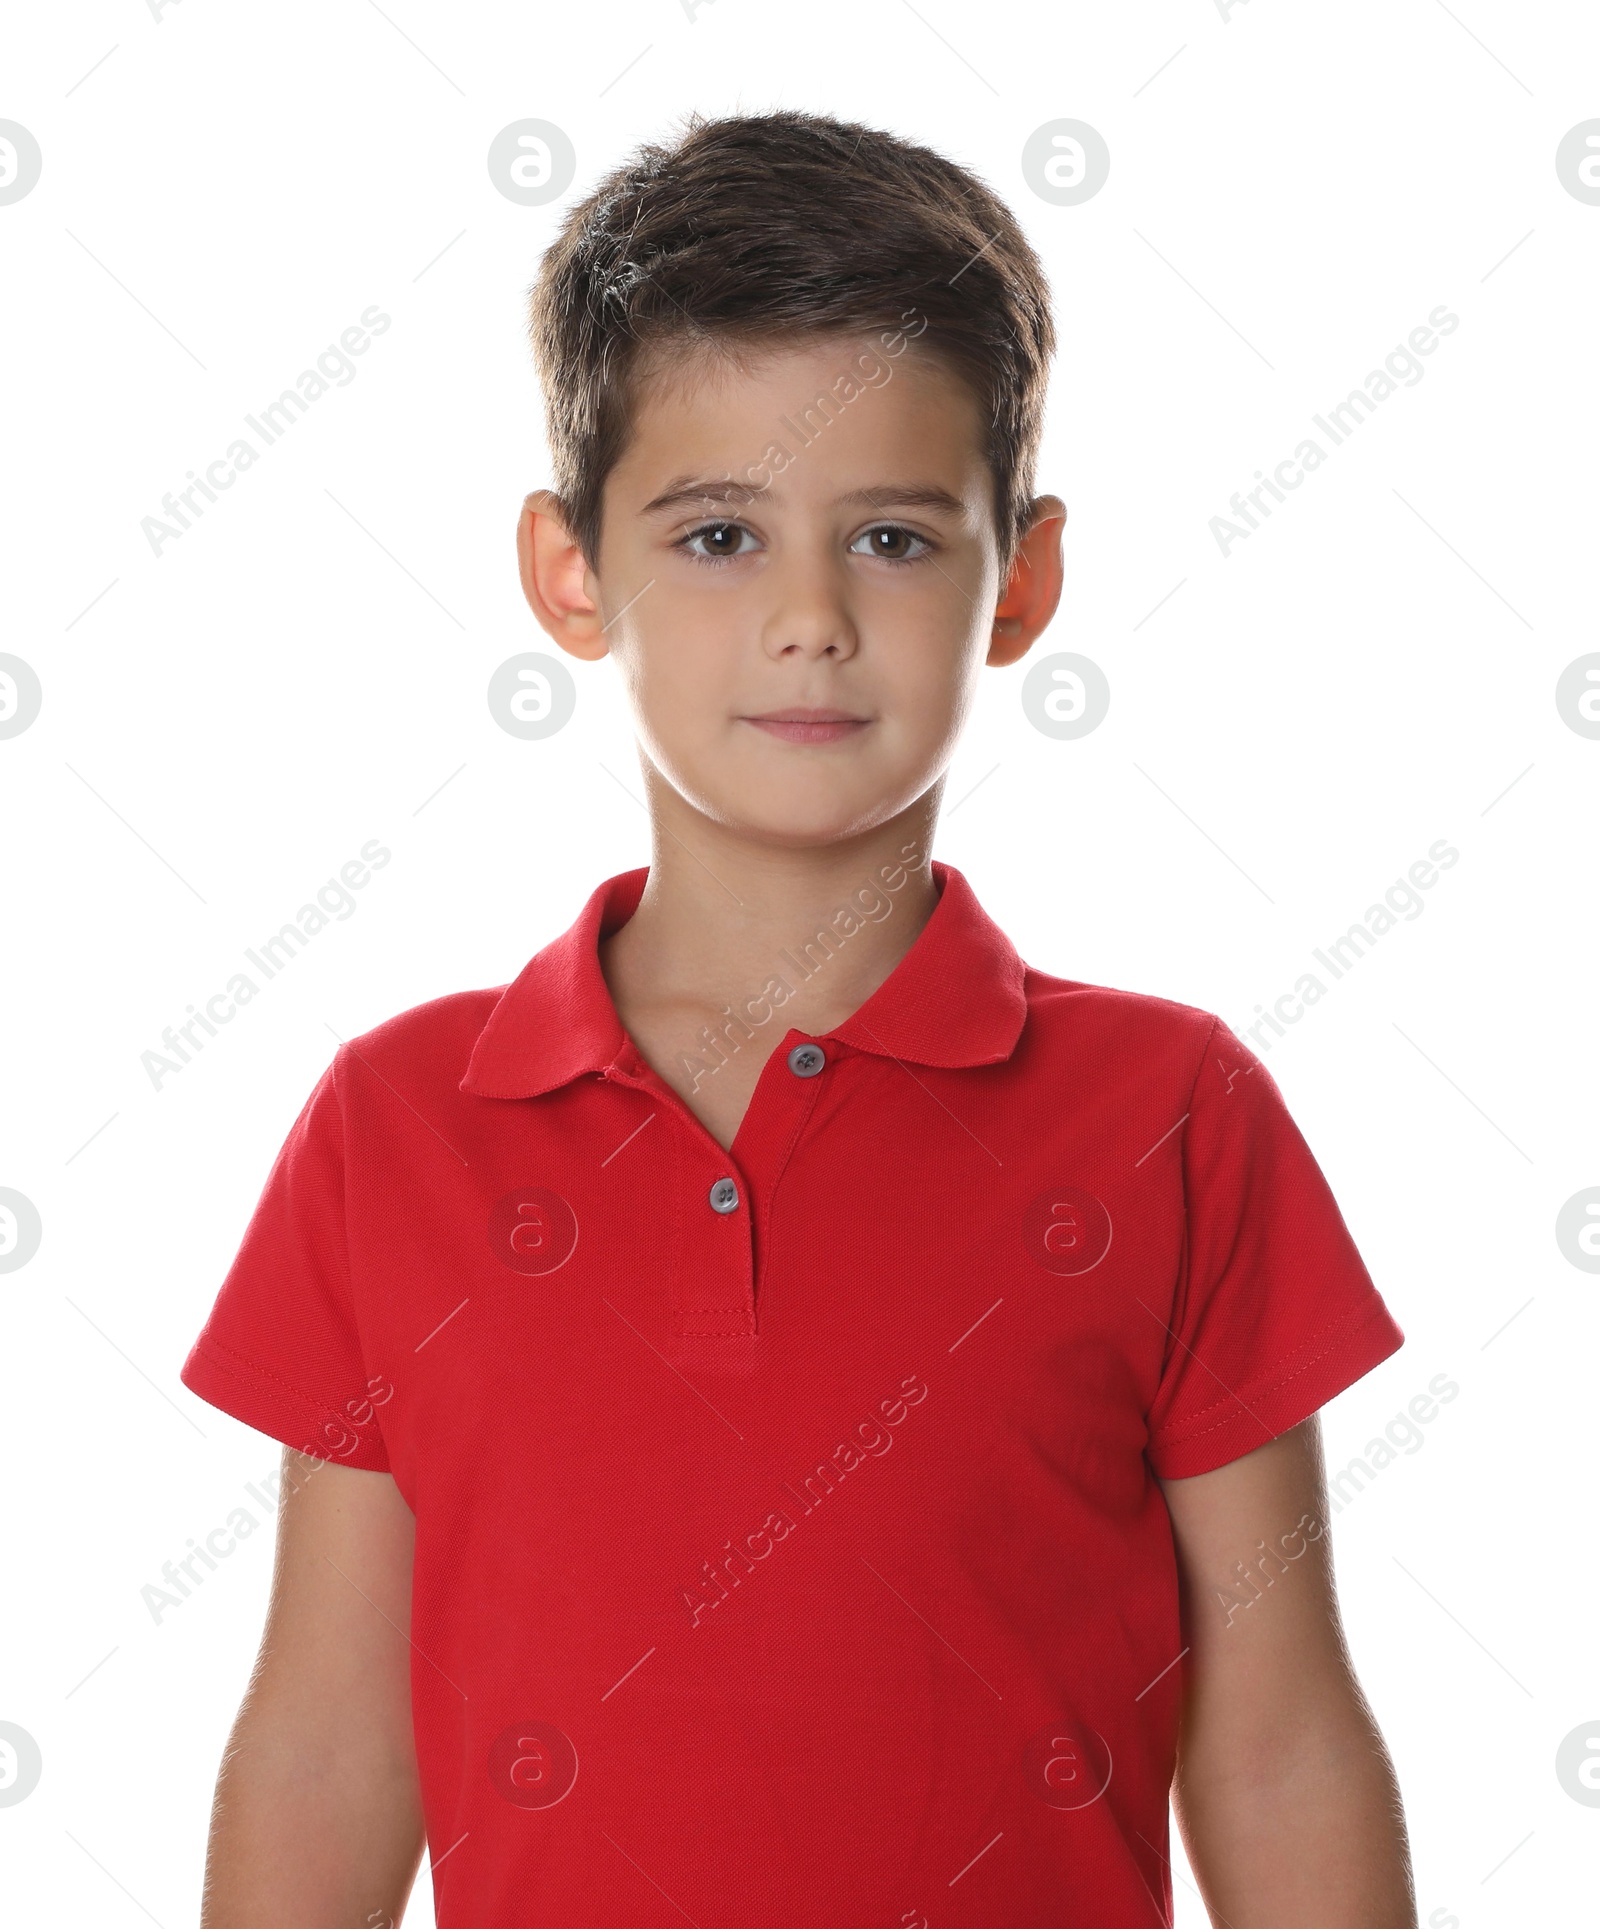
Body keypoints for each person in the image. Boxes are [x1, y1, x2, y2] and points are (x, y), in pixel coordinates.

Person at [179, 108, 1416, 1928]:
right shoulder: (401, 1120)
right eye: (720, 535)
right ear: (568, 572)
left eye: (898, 536)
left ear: (1027, 577)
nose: (813, 618)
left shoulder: (1172, 1110)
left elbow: (1277, 1730)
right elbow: (331, 1737)